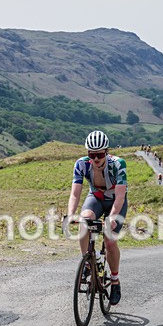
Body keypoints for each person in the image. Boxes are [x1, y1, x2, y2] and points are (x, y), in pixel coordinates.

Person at [66, 130, 128, 305]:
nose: (96, 159)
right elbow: (75, 193)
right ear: (88, 154)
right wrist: (71, 214)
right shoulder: (81, 164)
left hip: (116, 201)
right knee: (84, 220)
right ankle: (87, 263)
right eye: (92, 155)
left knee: (110, 240)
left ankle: (114, 281)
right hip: (96, 198)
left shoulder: (118, 164)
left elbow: (120, 197)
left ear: (106, 152)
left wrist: (113, 217)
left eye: (100, 154)